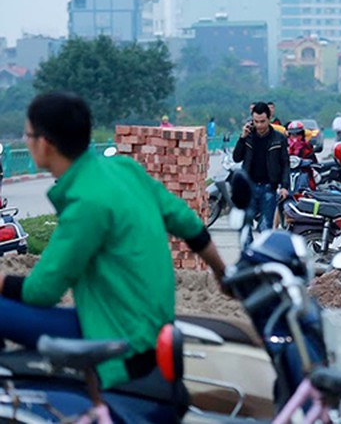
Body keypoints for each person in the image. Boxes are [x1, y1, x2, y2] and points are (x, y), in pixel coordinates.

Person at [0, 92, 228, 390]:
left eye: (28, 135)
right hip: (154, 329)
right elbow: (188, 224)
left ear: (45, 143)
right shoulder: (125, 170)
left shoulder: (85, 204)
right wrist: (222, 273)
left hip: (120, 341)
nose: (27, 142)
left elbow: (43, 291)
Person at [233, 101, 290, 234]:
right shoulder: (248, 137)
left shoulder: (279, 138)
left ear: (269, 118)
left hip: (269, 187)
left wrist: (284, 186)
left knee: (265, 228)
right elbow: (236, 158)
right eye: (256, 121)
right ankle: (247, 252)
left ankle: (264, 254)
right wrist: (242, 138)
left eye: (262, 121)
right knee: (244, 226)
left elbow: (285, 164)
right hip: (249, 186)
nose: (259, 125)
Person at [287, 121, 317, 193]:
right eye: (292, 134)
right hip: (287, 174)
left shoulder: (307, 146)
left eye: (298, 134)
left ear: (302, 134)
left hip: (304, 173)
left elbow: (314, 161)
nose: (295, 137)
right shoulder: (284, 146)